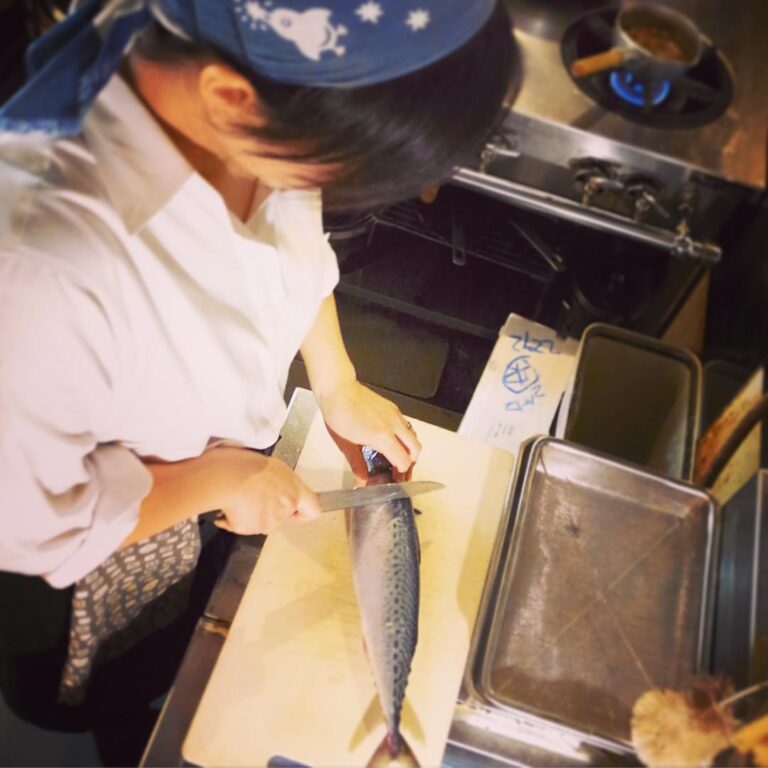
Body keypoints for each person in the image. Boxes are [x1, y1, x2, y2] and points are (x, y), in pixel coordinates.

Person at [0, 0, 516, 756]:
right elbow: (30, 526)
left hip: (217, 483)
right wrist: (215, 479)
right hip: (93, 557)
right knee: (109, 683)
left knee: (186, 622)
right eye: (336, 171)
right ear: (230, 99)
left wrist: (336, 381)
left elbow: (291, 248)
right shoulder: (36, 273)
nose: (321, 189)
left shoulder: (247, 94)